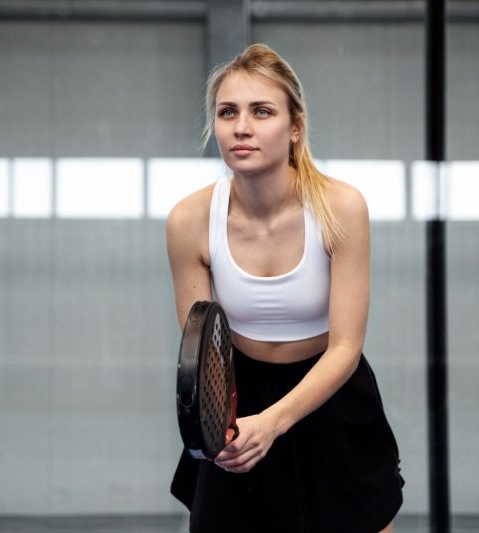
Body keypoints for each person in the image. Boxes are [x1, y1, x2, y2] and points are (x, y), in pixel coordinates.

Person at [166, 43, 403, 533]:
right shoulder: (189, 220)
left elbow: (345, 348)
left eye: (262, 111)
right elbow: (204, 354)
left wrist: (274, 422)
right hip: (235, 400)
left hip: (329, 394)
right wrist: (233, 425)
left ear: (295, 127)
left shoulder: (341, 209)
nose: (242, 127)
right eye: (228, 112)